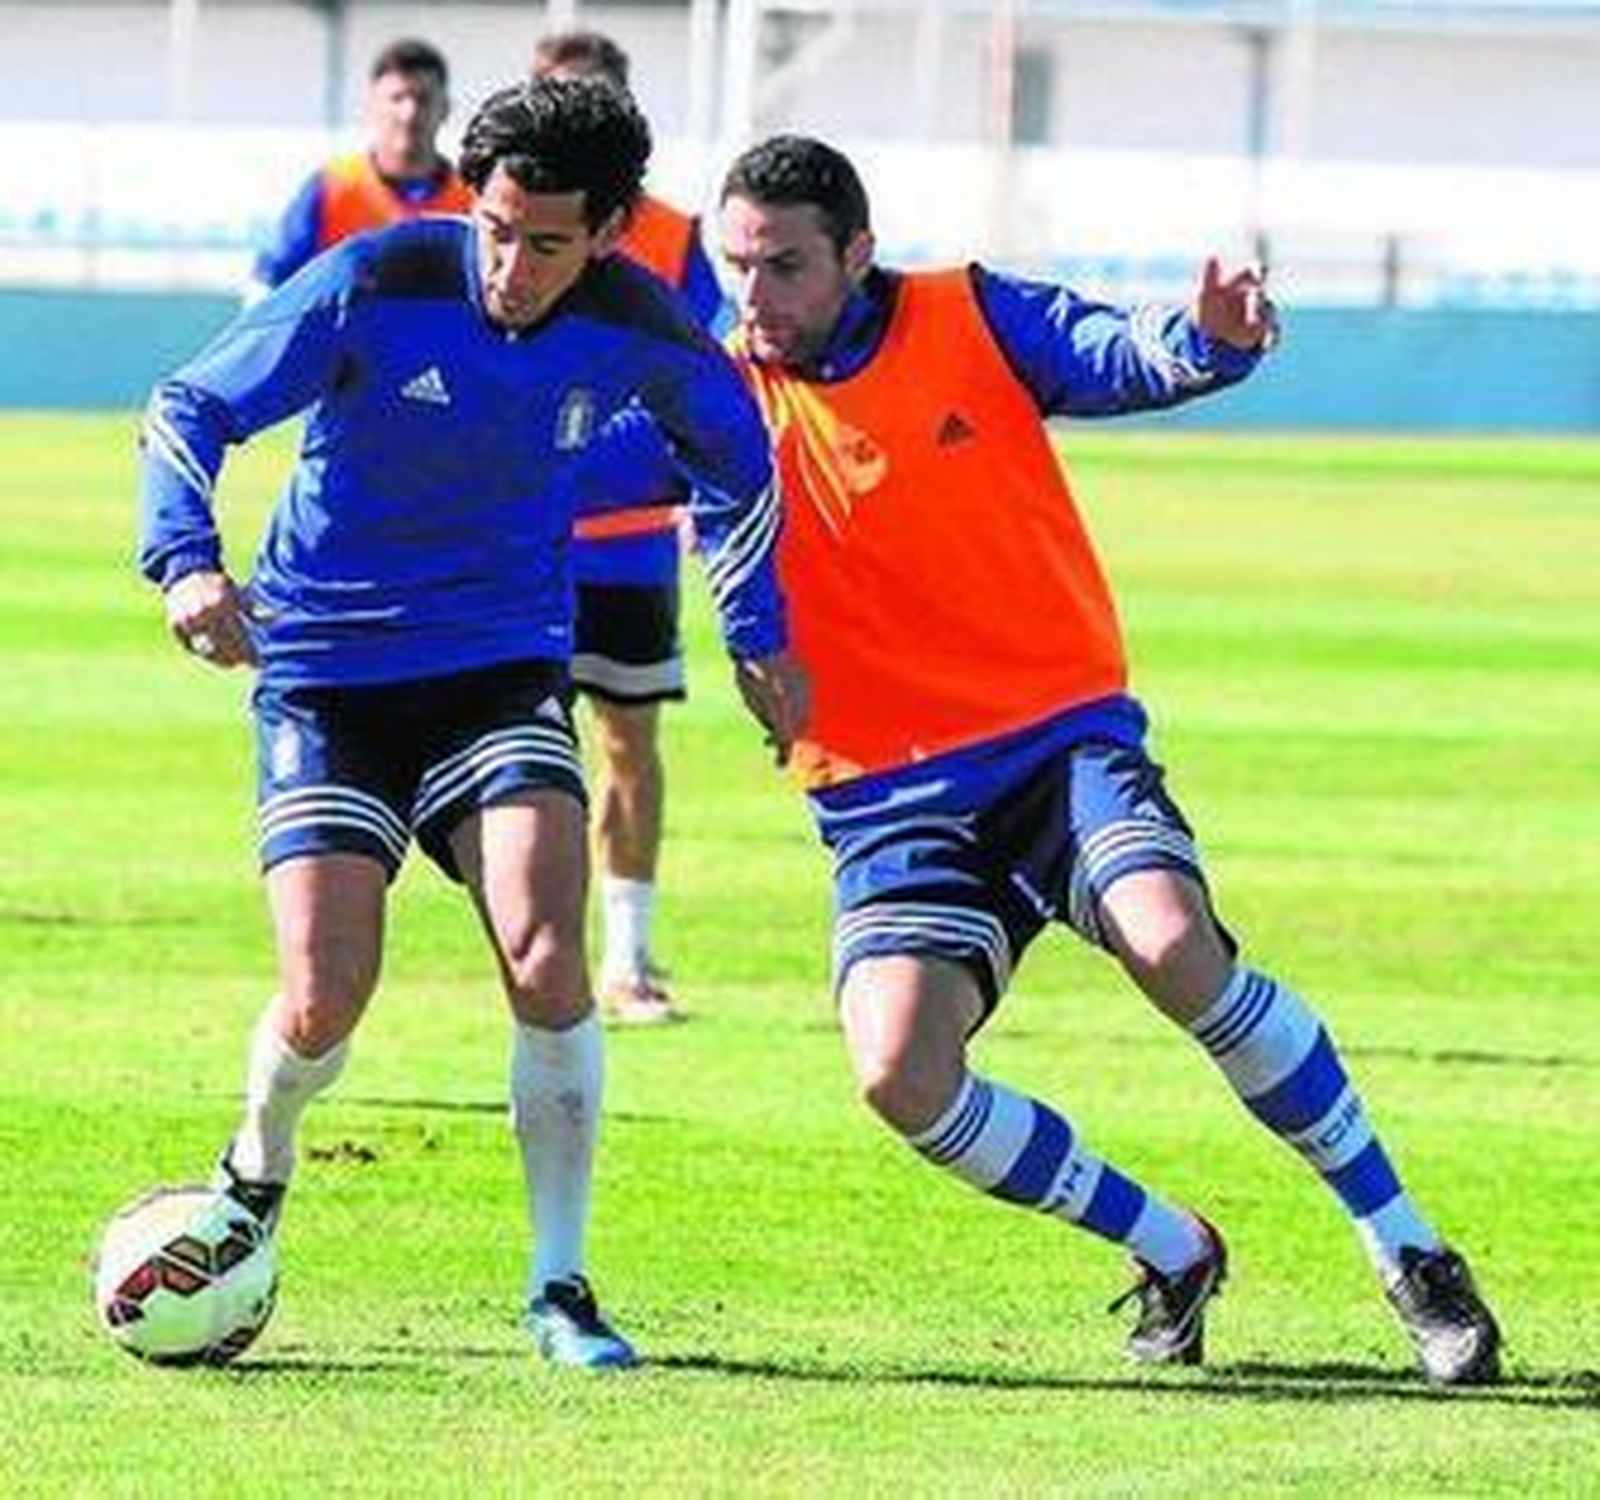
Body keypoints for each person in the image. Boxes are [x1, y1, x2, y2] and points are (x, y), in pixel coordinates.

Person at [582, 135, 1501, 1385]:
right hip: (886, 800)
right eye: (737, 269)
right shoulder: (714, 396)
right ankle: (1170, 1248)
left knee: (1172, 942)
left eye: (785, 268)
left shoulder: (968, 314)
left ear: (857, 252)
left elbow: (1121, 352)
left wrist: (1209, 336)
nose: (755, 299)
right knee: (899, 1075)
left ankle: (1408, 1250)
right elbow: (552, 476)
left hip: (1054, 744)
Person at [136, 78, 805, 1372]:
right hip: (327, 674)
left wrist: (761, 633)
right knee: (326, 995)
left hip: (499, 670)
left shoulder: (641, 327)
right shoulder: (377, 279)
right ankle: (257, 1169)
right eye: (495, 227)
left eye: (546, 241)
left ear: (610, 231)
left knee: (548, 955)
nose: (509, 264)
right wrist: (186, 563)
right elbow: (187, 407)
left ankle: (560, 1286)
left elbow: (739, 462)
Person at [531, 29, 724, 1026]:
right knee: (518, 749)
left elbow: (710, 377)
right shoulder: (504, 225)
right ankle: (540, 961)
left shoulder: (679, 240)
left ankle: (631, 961)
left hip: (630, 536)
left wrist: (705, 493)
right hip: (520, 537)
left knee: (627, 743)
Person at [249, 38, 473, 296]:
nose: (409, 112)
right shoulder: (332, 187)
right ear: (372, 105)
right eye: (397, 98)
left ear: (445, 108)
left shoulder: (472, 199)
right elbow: (268, 281)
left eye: (423, 99)